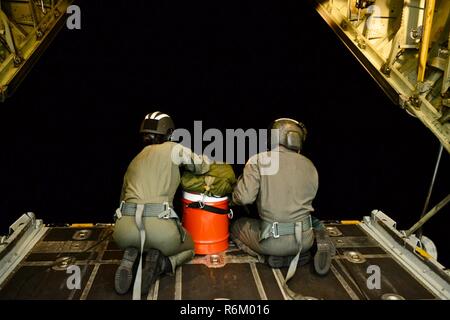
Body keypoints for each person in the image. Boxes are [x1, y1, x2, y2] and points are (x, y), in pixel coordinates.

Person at [113, 111, 210, 299]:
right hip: (160, 229)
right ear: (169, 132)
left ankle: (133, 251)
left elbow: (121, 200)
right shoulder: (173, 148)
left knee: (138, 237)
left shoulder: (134, 160)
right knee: (191, 249)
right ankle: (162, 264)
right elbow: (200, 166)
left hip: (124, 230)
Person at [231, 118, 334, 280]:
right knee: (308, 222)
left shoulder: (259, 160)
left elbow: (244, 198)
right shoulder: (310, 165)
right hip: (304, 239)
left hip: (271, 241)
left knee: (237, 226)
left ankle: (266, 257)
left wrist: (236, 192)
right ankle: (297, 253)